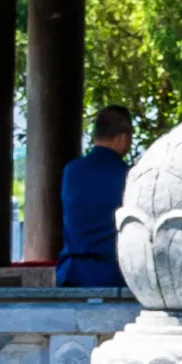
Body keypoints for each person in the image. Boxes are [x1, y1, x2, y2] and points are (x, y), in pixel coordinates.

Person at [56, 106, 134, 288]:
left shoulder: (71, 171)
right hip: (115, 275)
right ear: (122, 137)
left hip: (72, 274)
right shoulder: (129, 176)